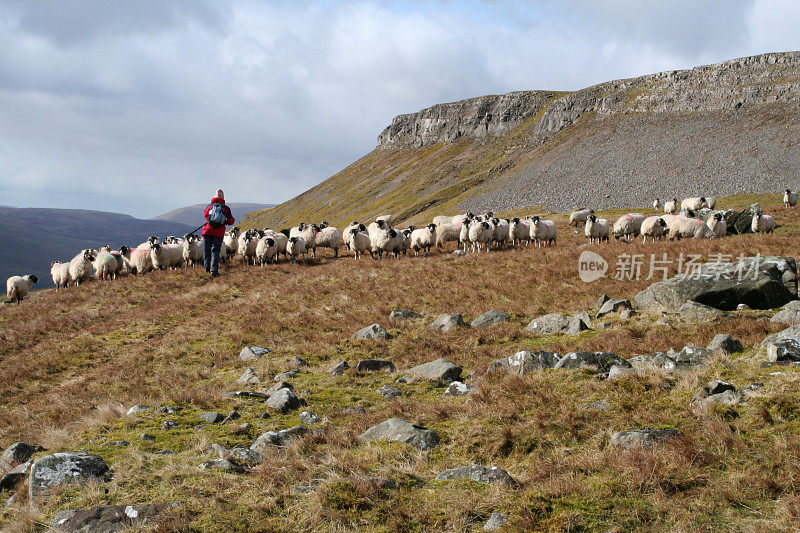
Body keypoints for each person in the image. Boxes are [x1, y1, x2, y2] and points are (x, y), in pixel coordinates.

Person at [202, 189, 234, 277]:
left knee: (206, 250)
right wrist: (226, 221)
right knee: (215, 251)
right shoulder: (226, 208)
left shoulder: (209, 206)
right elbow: (231, 220)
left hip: (207, 230)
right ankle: (214, 270)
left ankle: (206, 268)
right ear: (223, 197)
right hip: (218, 233)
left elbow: (206, 215)